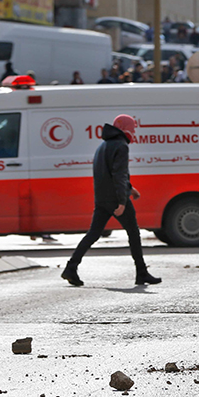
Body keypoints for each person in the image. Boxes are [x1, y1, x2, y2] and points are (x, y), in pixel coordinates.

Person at [60, 115, 161, 287]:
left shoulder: (103, 146)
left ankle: (71, 267)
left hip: (102, 199)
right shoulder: (121, 146)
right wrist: (122, 201)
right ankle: (141, 273)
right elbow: (118, 174)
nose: (134, 131)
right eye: (132, 127)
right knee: (133, 233)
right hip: (115, 199)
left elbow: (110, 173)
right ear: (124, 127)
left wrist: (130, 189)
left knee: (93, 234)